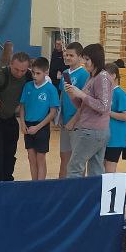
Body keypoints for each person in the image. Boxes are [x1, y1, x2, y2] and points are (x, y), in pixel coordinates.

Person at [62, 42, 114, 177]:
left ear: (95, 59)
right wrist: (73, 94)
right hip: (92, 129)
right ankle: (93, 198)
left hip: (93, 131)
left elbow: (103, 106)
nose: (84, 62)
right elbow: (83, 106)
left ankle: (74, 198)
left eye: (87, 59)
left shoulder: (102, 78)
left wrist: (82, 94)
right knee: (95, 170)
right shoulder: (92, 77)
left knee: (74, 168)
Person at [0, 51, 33, 182]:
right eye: (16, 69)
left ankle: (8, 179)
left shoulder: (28, 76)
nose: (20, 73)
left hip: (9, 116)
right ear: (11, 64)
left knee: (10, 149)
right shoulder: (1, 74)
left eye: (23, 70)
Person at [19, 56, 59, 180]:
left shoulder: (51, 89)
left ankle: (40, 186)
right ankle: (34, 184)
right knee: (31, 157)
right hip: (27, 125)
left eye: (38, 73)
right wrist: (22, 124)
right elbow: (22, 107)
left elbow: (52, 112)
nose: (35, 76)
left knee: (40, 158)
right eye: (33, 73)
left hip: (41, 126)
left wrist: (38, 127)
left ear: (46, 73)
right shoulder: (28, 86)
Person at [55, 43, 88, 178]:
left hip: (78, 124)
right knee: (64, 158)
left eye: (71, 55)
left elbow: (85, 103)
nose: (67, 58)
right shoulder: (64, 74)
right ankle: (62, 190)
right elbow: (63, 96)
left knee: (78, 161)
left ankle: (78, 191)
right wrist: (59, 117)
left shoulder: (84, 75)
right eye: (66, 55)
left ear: (80, 57)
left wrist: (74, 120)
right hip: (65, 123)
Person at [103, 76, 126, 175]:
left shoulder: (120, 93)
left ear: (113, 76)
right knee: (102, 169)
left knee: (109, 170)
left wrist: (108, 112)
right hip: (105, 137)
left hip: (115, 139)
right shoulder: (105, 92)